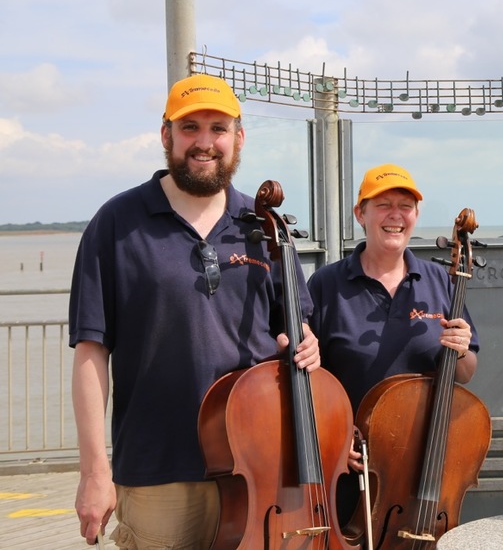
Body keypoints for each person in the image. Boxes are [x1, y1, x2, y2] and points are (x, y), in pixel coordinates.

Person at [70, 73, 321, 548]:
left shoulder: (264, 227)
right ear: (166, 135)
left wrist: (308, 345)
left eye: (218, 128)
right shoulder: (117, 223)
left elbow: (296, 330)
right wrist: (93, 472)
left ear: (238, 138)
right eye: (190, 128)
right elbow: (90, 352)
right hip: (158, 472)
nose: (204, 142)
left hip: (260, 469)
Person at [307, 162, 480, 525]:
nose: (395, 216)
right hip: (351, 462)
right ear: (361, 214)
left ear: (416, 215)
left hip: (423, 463)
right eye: (383, 205)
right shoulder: (327, 284)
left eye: (405, 206)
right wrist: (335, 439)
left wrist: (461, 348)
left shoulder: (442, 281)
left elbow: (464, 374)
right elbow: (310, 378)